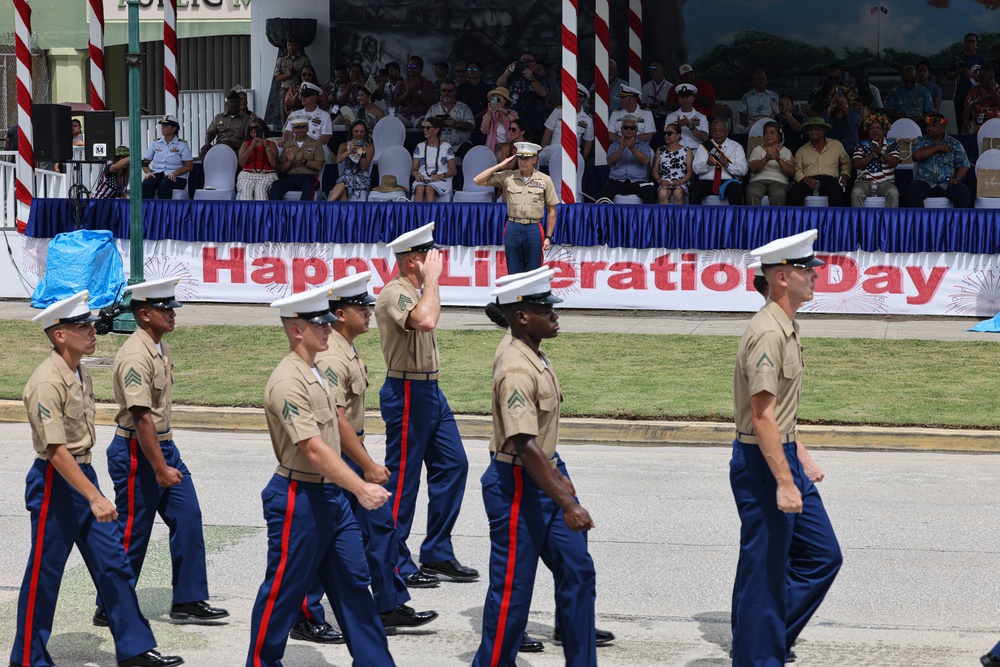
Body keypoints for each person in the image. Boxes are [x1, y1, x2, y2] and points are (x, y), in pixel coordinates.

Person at [12, 292, 184, 667]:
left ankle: (135, 648)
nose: (94, 332)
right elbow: (56, 451)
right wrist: (94, 496)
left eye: (91, 325)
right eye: (83, 327)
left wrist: (91, 490)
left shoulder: (78, 371)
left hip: (82, 475)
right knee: (45, 574)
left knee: (115, 565)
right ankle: (27, 658)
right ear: (59, 335)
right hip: (56, 483)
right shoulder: (46, 382)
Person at [245, 283, 396, 667]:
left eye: (329, 321)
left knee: (354, 586)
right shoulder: (288, 381)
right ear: (296, 329)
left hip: (329, 497)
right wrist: (361, 487)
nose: (329, 328)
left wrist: (363, 469)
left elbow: (338, 426)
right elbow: (312, 448)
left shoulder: (316, 371)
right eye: (319, 324)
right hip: (299, 497)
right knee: (282, 591)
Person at [472, 268, 598, 667]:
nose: (556, 314)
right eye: (546, 309)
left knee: (578, 571)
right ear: (522, 316)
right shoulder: (516, 368)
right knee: (513, 589)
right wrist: (568, 502)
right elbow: (524, 444)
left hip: (546, 476)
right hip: (518, 484)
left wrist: (560, 477)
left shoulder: (531, 349)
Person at [730, 230, 842, 667]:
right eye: (806, 270)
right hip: (764, 463)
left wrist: (801, 453)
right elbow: (761, 417)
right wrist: (783, 480)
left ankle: (763, 638)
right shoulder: (767, 333)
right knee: (765, 572)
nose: (815, 275)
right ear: (781, 277)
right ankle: (758, 654)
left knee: (822, 555)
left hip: (783, 453)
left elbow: (780, 414)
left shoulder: (786, 325)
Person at [94, 277, 228, 630]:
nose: (172, 314)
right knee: (133, 531)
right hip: (138, 450)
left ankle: (188, 599)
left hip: (163, 446)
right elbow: (141, 417)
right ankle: (110, 604)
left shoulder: (159, 346)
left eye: (172, 308)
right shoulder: (136, 356)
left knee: (188, 517)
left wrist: (165, 459)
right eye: (164, 309)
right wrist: (159, 467)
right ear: (143, 314)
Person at [317, 272, 440, 630]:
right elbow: (338, 420)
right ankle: (304, 613)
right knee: (325, 539)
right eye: (360, 306)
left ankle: (389, 604)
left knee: (381, 526)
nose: (369, 310)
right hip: (337, 460)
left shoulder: (346, 348)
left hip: (350, 454)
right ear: (340, 314)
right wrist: (368, 465)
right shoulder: (330, 357)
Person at [374, 223, 479, 587]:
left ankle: (437, 551)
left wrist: (428, 282)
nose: (436, 261)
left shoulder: (416, 289)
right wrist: (432, 281)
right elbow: (425, 319)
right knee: (403, 480)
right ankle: (394, 560)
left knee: (454, 465)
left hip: (431, 389)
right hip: (406, 390)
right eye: (428, 257)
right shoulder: (396, 292)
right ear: (411, 262)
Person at [475, 142, 558, 274]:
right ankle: (517, 296)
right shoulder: (508, 176)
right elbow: (478, 180)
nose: (523, 162)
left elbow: (552, 210)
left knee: (533, 271)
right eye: (520, 158)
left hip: (534, 228)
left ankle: (530, 296)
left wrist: (548, 236)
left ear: (534, 159)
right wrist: (500, 165)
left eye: (527, 158)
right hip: (513, 226)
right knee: (513, 270)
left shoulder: (545, 180)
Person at [905, 112, 971, 208]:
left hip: (947, 182)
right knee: (912, 190)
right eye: (928, 126)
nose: (930, 128)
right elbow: (916, 156)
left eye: (934, 126)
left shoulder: (954, 143)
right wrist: (938, 147)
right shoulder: (920, 140)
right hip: (925, 182)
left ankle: (957, 222)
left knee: (963, 191)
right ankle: (919, 222)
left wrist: (956, 178)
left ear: (943, 127)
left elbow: (964, 165)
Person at [787, 117, 851, 207]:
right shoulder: (802, 150)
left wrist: (844, 175)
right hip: (808, 181)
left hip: (829, 180)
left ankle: (835, 220)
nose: (813, 131)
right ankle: (798, 220)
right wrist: (805, 179)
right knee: (794, 191)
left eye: (817, 129)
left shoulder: (836, 145)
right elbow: (796, 168)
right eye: (810, 129)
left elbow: (846, 162)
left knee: (836, 191)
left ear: (823, 130)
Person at [690, 118, 748, 205]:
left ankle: (735, 218)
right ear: (711, 132)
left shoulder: (736, 146)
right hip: (707, 181)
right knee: (694, 188)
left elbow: (743, 170)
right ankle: (696, 218)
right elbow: (696, 169)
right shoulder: (704, 147)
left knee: (736, 189)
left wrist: (727, 165)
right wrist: (707, 165)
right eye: (715, 130)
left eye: (721, 130)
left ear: (727, 132)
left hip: (728, 182)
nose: (717, 133)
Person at [600, 115, 656, 204]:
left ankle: (645, 218)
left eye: (632, 128)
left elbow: (645, 162)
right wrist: (621, 150)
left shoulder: (643, 145)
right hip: (617, 181)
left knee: (650, 191)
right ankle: (605, 217)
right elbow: (610, 162)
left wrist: (633, 148)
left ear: (636, 130)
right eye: (626, 127)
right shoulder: (614, 145)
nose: (629, 130)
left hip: (638, 182)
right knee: (604, 190)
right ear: (621, 129)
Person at [496, 50, 551, 139]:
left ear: (535, 63)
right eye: (523, 61)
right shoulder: (513, 77)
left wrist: (531, 78)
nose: (525, 63)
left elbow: (543, 93)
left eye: (529, 61)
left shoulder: (540, 78)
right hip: (514, 122)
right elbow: (499, 84)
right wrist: (507, 71)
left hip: (534, 124)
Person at [851, 112, 901, 207]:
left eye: (878, 128)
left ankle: (889, 222)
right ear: (868, 131)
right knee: (856, 192)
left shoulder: (892, 144)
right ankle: (859, 221)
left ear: (884, 131)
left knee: (893, 192)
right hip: (864, 182)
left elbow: (894, 162)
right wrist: (872, 155)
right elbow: (857, 164)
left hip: (886, 182)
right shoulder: (861, 144)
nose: (874, 131)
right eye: (871, 128)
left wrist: (880, 152)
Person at [539, 83, 594, 167]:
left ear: (582, 99)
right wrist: (542, 150)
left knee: (577, 165)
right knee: (537, 159)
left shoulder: (587, 119)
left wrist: (584, 158)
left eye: (577, 96)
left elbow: (588, 141)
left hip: (573, 152)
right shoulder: (559, 110)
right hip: (553, 148)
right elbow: (548, 131)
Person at [269, 117, 324, 201]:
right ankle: (277, 213)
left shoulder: (316, 144)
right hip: (291, 177)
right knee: (276, 185)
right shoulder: (287, 144)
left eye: (303, 127)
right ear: (292, 129)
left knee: (308, 185)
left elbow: (319, 166)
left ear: (307, 128)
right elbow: (282, 169)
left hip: (309, 177)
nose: (299, 130)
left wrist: (305, 161)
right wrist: (289, 162)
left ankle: (304, 213)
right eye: (296, 128)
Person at [140, 115, 193, 200]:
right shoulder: (156, 143)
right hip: (157, 174)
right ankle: (147, 210)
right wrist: (148, 172)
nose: (162, 128)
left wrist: (175, 173)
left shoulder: (182, 144)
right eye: (162, 126)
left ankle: (164, 211)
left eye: (166, 126)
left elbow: (189, 166)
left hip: (176, 177)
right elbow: (145, 162)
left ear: (174, 128)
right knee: (146, 183)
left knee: (165, 184)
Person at [746, 121, 794, 206]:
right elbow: (754, 169)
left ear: (779, 137)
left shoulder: (786, 151)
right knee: (752, 191)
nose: (769, 135)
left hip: (779, 181)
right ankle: (753, 219)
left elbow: (790, 172)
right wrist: (766, 158)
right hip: (758, 180)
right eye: (766, 133)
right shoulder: (757, 149)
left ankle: (777, 219)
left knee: (779, 193)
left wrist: (778, 159)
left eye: (772, 133)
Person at [411, 116, 457, 202]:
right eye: (423, 127)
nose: (425, 130)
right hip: (423, 179)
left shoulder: (446, 147)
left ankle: (431, 215)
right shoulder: (420, 146)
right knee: (420, 188)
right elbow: (413, 168)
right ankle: (417, 215)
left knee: (429, 188)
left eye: (428, 128)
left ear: (436, 130)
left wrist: (440, 175)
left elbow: (453, 170)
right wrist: (416, 173)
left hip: (441, 180)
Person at [329, 119, 374, 202]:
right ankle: (342, 210)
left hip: (361, 178)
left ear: (365, 134)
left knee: (343, 183)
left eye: (361, 132)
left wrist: (362, 152)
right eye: (356, 131)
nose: (359, 134)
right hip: (346, 175)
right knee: (343, 188)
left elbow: (363, 167)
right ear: (352, 133)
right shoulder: (344, 145)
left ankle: (328, 203)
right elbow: (338, 160)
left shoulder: (370, 147)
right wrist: (350, 150)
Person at [425, 80, 475, 155]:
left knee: (470, 151)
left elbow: (471, 126)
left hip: (460, 145)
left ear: (455, 92)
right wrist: (434, 123)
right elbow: (424, 127)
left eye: (449, 90)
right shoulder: (434, 108)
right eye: (444, 90)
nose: (446, 93)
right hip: (438, 145)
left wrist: (456, 124)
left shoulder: (464, 107)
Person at [280, 83, 333, 153]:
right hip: (296, 144)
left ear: (315, 97)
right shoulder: (294, 114)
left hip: (315, 146)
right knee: (278, 149)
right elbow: (288, 132)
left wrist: (308, 146)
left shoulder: (325, 116)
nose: (303, 98)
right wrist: (283, 141)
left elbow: (325, 138)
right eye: (302, 95)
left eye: (306, 95)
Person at [948, 33, 985, 131]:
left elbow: (986, 79)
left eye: (973, 41)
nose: (970, 43)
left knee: (977, 125)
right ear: (964, 43)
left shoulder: (981, 59)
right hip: (960, 97)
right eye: (967, 41)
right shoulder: (957, 58)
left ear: (977, 44)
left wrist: (972, 75)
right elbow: (948, 76)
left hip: (977, 98)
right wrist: (956, 72)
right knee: (961, 125)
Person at [200, 89, 251, 159]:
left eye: (236, 102)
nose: (234, 104)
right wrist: (207, 143)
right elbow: (210, 132)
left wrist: (237, 145)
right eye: (232, 102)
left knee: (242, 153)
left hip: (236, 146)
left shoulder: (246, 119)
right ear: (227, 103)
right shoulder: (219, 117)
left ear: (239, 103)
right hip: (220, 145)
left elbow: (247, 137)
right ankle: (208, 170)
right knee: (204, 150)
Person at [237, 119, 279, 200]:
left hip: (267, 175)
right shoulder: (246, 144)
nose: (253, 130)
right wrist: (251, 147)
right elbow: (241, 163)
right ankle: (247, 213)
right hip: (247, 175)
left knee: (260, 190)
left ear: (262, 129)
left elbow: (274, 164)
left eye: (256, 128)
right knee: (246, 190)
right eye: (250, 128)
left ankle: (261, 213)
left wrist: (267, 147)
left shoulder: (271, 144)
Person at [272, 37, 312, 122]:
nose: (291, 47)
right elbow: (277, 77)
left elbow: (308, 74)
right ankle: (285, 129)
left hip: (301, 89)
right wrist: (288, 74)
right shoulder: (281, 60)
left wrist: (296, 72)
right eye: (289, 45)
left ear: (298, 46)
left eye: (293, 45)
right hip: (286, 89)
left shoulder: (304, 59)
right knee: (284, 113)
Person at [653, 123, 693, 205]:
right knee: (662, 193)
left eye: (670, 133)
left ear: (678, 135)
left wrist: (681, 181)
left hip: (681, 182)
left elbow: (690, 171)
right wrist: (660, 181)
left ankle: (678, 218)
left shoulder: (686, 150)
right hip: (664, 182)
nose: (666, 135)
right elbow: (655, 170)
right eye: (665, 133)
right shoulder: (660, 150)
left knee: (677, 193)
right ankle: (665, 217)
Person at [393, 56, 437, 128]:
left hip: (420, 115)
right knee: (392, 124)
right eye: (409, 66)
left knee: (426, 125)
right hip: (405, 115)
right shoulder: (401, 83)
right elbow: (395, 103)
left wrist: (417, 91)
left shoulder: (428, 84)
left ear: (421, 68)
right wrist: (408, 91)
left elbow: (430, 103)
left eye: (413, 66)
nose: (410, 69)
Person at [664, 83, 709, 150]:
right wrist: (677, 127)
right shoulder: (671, 117)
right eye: (682, 97)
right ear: (678, 99)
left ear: (693, 99)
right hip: (676, 150)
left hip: (695, 150)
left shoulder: (701, 117)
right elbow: (667, 138)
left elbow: (705, 138)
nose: (685, 100)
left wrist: (691, 127)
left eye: (687, 96)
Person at [481, 86, 519, 163]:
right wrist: (489, 114)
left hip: (511, 147)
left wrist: (504, 112)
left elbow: (519, 126)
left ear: (505, 101)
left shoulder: (512, 113)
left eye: (499, 99)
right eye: (494, 99)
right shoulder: (490, 114)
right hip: (495, 147)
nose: (496, 102)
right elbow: (484, 131)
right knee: (501, 157)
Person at [821, 84, 861, 155]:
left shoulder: (854, 115)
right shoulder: (828, 114)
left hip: (849, 150)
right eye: (837, 99)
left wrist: (845, 106)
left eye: (842, 98)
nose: (839, 101)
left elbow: (853, 124)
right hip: (830, 151)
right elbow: (821, 125)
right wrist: (830, 108)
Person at [963, 64, 1000, 135]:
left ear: (990, 78)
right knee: (966, 130)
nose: (979, 79)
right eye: (979, 77)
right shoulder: (974, 91)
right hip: (979, 122)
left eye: (982, 77)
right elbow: (967, 108)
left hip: (996, 122)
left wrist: (992, 90)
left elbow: (998, 102)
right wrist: (965, 121)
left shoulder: (998, 89)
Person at [457, 60, 491, 132]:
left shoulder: (487, 89)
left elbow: (490, 106)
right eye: (469, 69)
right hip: (464, 122)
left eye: (474, 69)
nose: (471, 71)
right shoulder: (461, 88)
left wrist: (477, 116)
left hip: (481, 122)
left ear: (481, 72)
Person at [642, 59, 672, 128]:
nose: (652, 70)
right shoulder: (646, 87)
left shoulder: (670, 87)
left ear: (662, 70)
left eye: (655, 68)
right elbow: (642, 107)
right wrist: (650, 107)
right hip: (650, 117)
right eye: (650, 68)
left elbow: (673, 107)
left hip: (666, 117)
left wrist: (661, 103)